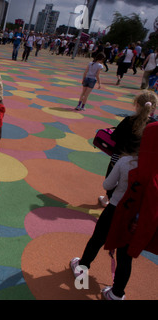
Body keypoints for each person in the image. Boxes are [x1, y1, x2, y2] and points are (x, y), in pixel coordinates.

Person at [70, 151, 139, 300]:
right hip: (136, 218)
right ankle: (117, 292)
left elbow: (107, 184)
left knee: (97, 239)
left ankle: (83, 266)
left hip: (115, 208)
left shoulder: (126, 162)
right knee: (125, 255)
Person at [103, 120, 158, 300]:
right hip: (142, 218)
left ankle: (117, 292)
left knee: (124, 253)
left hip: (132, 216)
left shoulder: (135, 167)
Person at [98, 91, 157, 207]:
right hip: (140, 162)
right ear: (153, 107)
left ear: (137, 105)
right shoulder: (154, 125)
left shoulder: (128, 120)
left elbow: (114, 137)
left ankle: (109, 199)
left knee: (112, 179)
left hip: (120, 157)